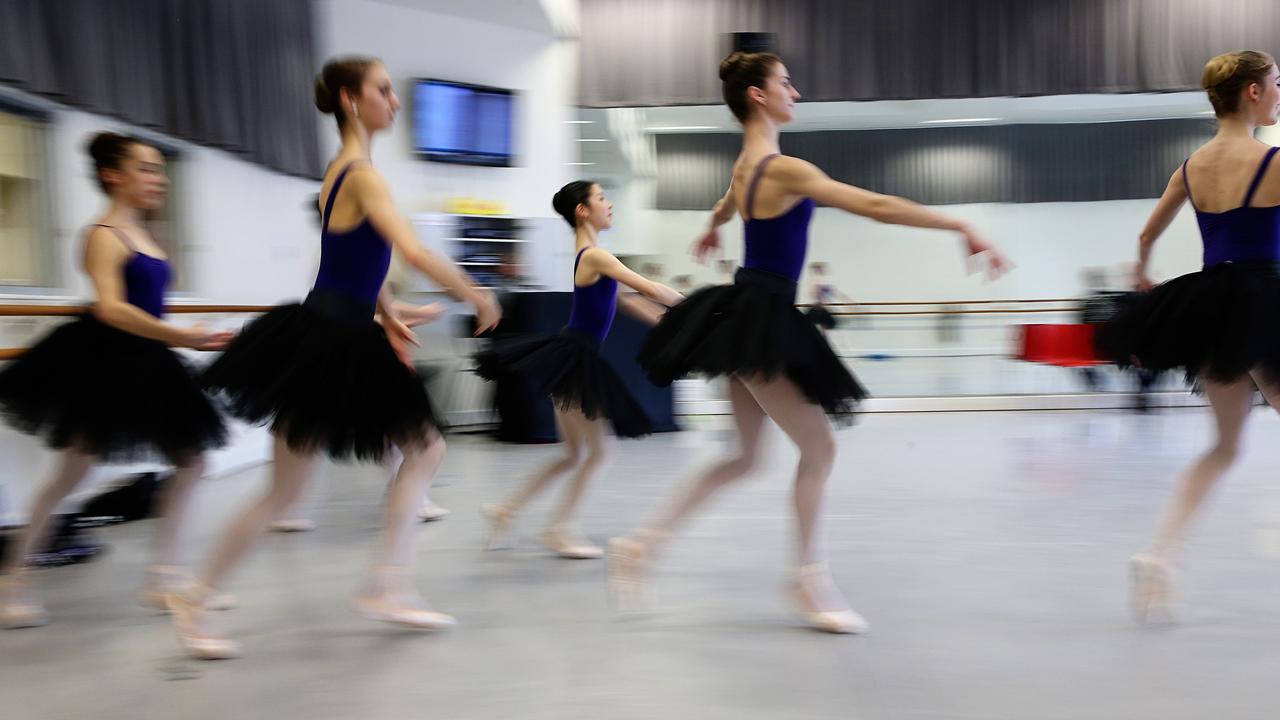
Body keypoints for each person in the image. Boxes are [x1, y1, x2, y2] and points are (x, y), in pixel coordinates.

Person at [609, 50, 1009, 634]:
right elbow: (873, 205)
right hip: (763, 316)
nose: (795, 94)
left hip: (743, 311)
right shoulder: (782, 168)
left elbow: (727, 201)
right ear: (758, 96)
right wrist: (961, 224)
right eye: (786, 85)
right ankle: (807, 580)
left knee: (746, 457)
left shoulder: (746, 167)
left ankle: (642, 545)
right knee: (818, 450)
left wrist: (714, 224)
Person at [166, 56, 500, 659]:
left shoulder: (342, 171)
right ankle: (379, 584)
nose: (394, 101)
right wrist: (472, 290)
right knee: (416, 452)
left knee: (296, 489)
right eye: (383, 90)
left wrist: (389, 308)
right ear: (350, 100)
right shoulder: (362, 173)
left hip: (331, 329)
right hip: (331, 339)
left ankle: (372, 585)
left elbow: (355, 260)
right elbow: (413, 249)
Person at [0, 133, 231, 628]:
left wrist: (177, 337)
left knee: (192, 462)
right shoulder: (102, 233)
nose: (159, 179)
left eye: (159, 170)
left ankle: (163, 576)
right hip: (106, 362)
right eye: (146, 169)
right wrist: (180, 336)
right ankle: (13, 578)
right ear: (113, 175)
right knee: (72, 474)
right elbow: (109, 307)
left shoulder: (145, 233)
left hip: (149, 361)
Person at [1096, 50, 1280, 622]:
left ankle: (1159, 556)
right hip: (1266, 305)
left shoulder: (1192, 166)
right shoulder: (1272, 160)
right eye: (1277, 83)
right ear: (1252, 92)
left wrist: (1143, 272)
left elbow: (1149, 232)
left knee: (1224, 446)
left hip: (1210, 308)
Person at [477, 181, 682, 559]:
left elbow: (629, 301)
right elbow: (650, 288)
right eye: (602, 198)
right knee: (600, 453)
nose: (610, 204)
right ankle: (559, 528)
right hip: (574, 358)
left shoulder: (594, 255)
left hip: (572, 356)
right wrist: (699, 309)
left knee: (575, 454)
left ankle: (507, 512)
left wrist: (670, 325)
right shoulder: (594, 256)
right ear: (582, 211)